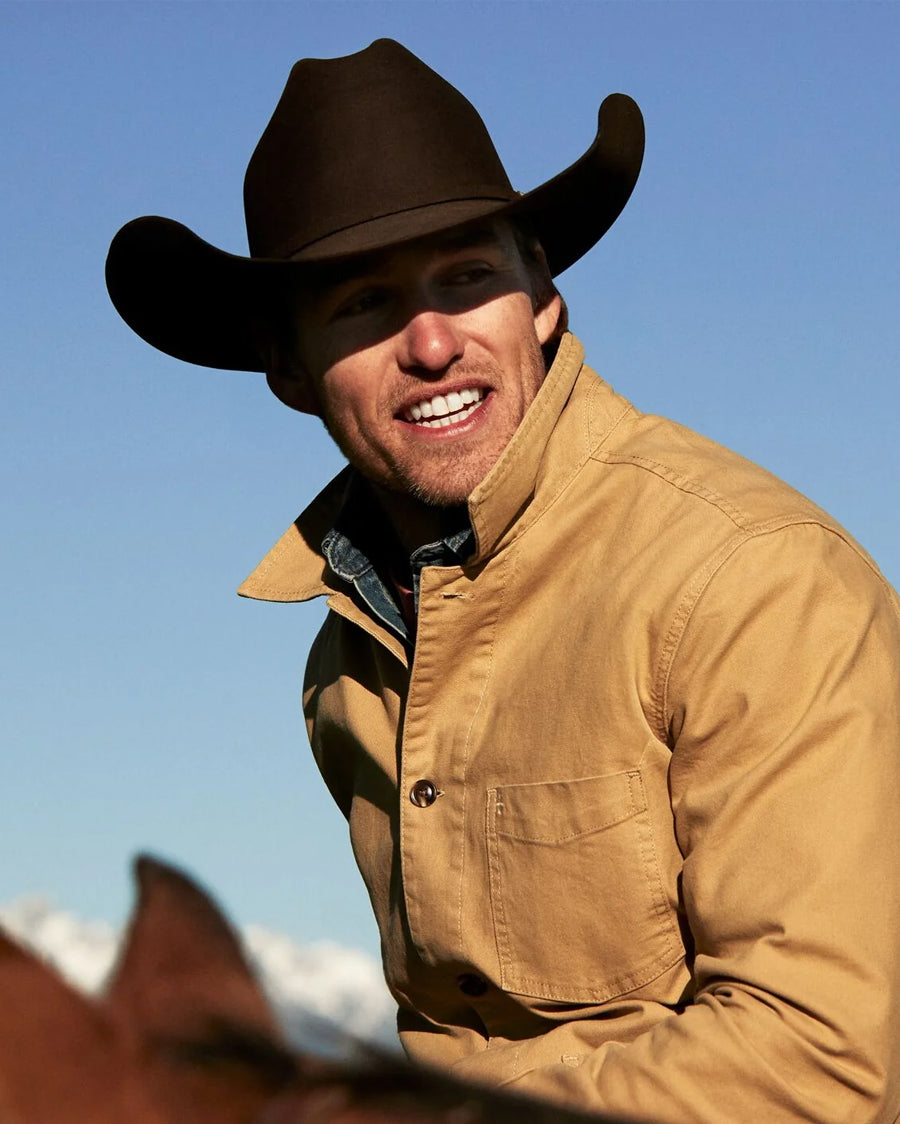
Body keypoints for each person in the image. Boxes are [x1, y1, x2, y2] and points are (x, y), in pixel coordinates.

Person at [106, 39, 900, 1124]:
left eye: (468, 278)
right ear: (290, 368)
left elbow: (821, 1063)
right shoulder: (345, 659)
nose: (432, 344)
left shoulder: (752, 579)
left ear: (542, 297)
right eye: (364, 303)